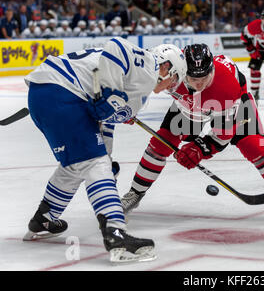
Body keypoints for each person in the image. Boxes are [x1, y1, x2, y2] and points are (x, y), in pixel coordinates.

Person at [23, 38, 187, 264]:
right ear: (166, 66)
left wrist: (107, 157)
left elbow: (102, 121)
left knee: (77, 164)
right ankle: (115, 234)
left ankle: (44, 218)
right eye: (174, 79)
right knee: (92, 163)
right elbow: (116, 45)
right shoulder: (148, 64)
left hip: (47, 94)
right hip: (61, 93)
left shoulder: (140, 87)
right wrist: (111, 92)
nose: (170, 87)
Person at [120, 43, 264, 223]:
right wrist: (128, 105)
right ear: (182, 71)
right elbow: (141, 80)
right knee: (159, 144)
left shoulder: (225, 87)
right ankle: (135, 193)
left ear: (211, 69)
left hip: (234, 105)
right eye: (194, 79)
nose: (200, 84)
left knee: (254, 146)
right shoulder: (171, 69)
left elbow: (223, 135)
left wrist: (199, 149)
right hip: (188, 107)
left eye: (205, 77)